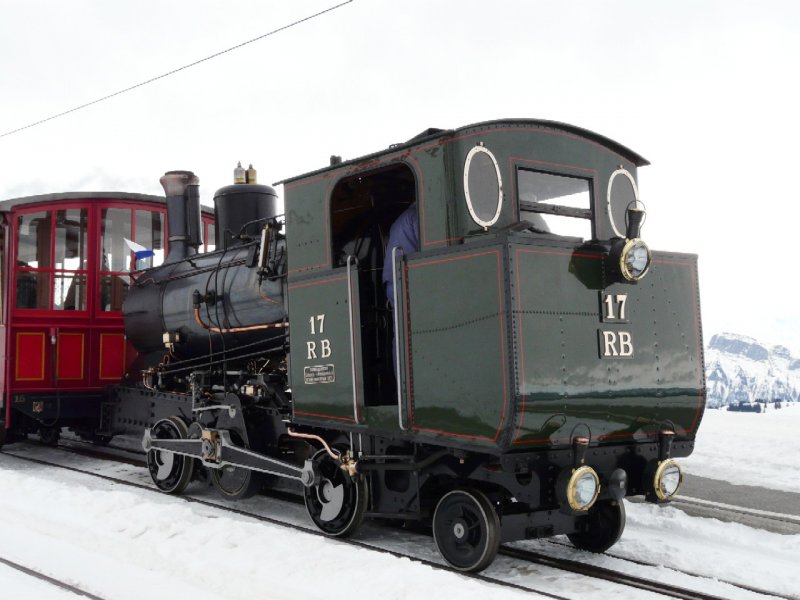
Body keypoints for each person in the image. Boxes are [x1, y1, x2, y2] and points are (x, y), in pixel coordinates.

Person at [382, 202, 419, 305]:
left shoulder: (399, 220)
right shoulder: (415, 215)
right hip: (404, 279)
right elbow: (423, 246)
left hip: (392, 279)